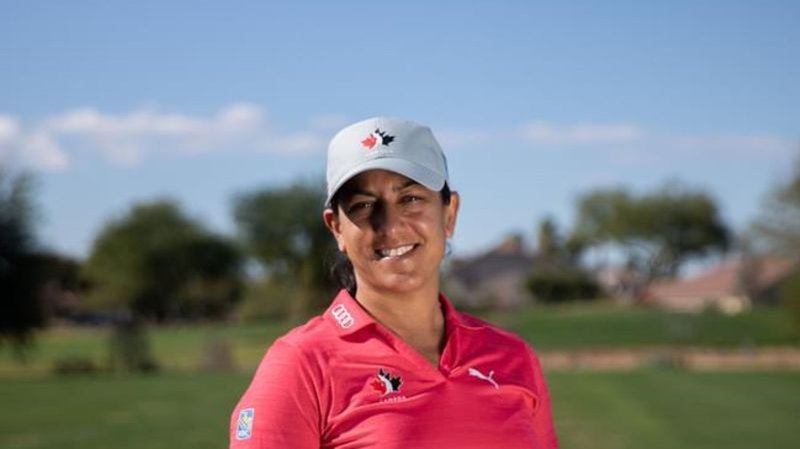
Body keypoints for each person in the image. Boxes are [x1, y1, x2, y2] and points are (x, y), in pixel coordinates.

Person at [230, 117, 559, 448]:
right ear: (337, 228)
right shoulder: (300, 364)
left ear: (449, 214)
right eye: (363, 206)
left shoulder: (513, 356)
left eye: (411, 199)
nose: (390, 226)